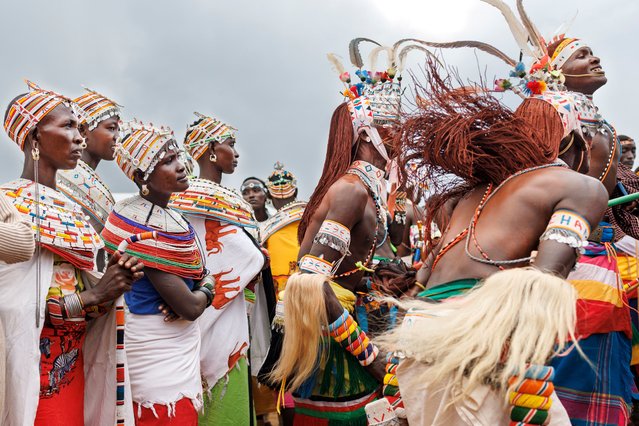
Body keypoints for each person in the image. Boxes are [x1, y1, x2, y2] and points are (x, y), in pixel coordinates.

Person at [268, 44, 404, 424]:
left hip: (346, 324)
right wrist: (371, 358)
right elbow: (309, 285)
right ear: (366, 135)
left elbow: (346, 271)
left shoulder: (367, 190)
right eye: (392, 123)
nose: (402, 132)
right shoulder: (350, 191)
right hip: (333, 341)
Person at [0, 81, 143, 425]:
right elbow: (12, 310)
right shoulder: (6, 204)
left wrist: (114, 284)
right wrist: (95, 293)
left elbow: (93, 309)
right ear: (35, 137)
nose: (79, 137)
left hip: (72, 367)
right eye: (67, 126)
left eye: (80, 128)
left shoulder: (74, 212)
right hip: (27, 368)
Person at [102, 120, 211, 424]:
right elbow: (190, 307)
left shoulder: (172, 217)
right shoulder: (139, 225)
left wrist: (203, 285)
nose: (180, 166)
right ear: (142, 177)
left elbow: (200, 273)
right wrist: (206, 288)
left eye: (177, 157)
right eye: (167, 161)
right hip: (156, 352)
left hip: (172, 349)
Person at [168, 112, 266, 425]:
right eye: (230, 144)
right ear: (212, 150)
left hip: (195, 307)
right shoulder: (204, 199)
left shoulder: (179, 197)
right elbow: (246, 259)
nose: (235, 153)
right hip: (216, 310)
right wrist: (258, 258)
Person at [57, 88, 120, 271]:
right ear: (84, 131)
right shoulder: (65, 174)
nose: (117, 137)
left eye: (118, 129)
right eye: (111, 128)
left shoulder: (87, 177)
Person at [261, 162, 306, 294]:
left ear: (268, 196)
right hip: (307, 281)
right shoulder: (309, 215)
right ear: (296, 191)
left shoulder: (267, 226)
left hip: (278, 288)